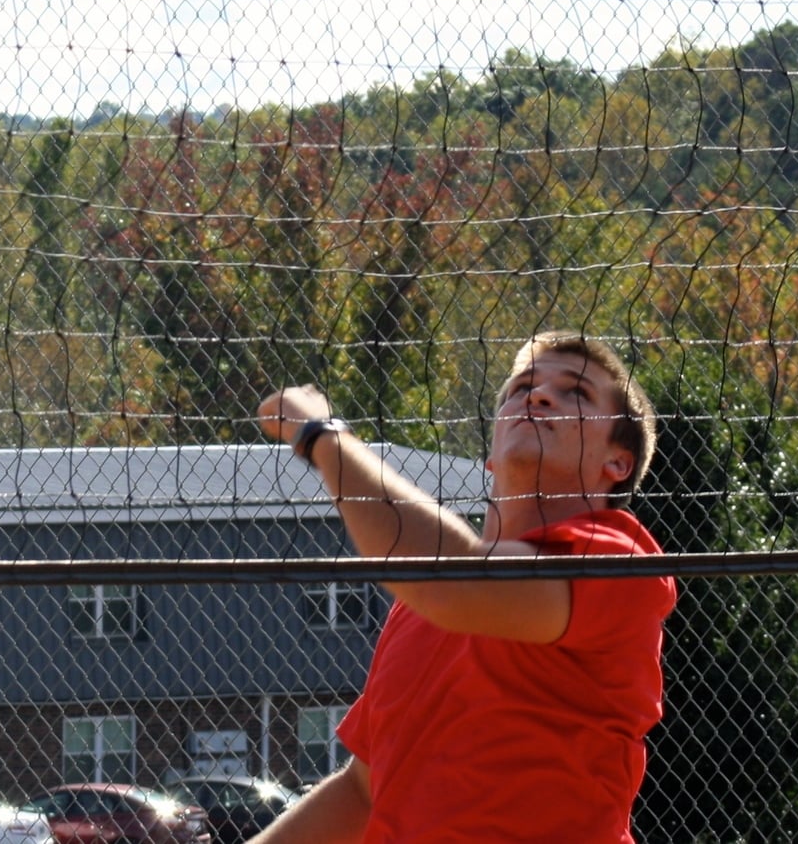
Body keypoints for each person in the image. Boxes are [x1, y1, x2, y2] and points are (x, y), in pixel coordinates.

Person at [245, 331, 676, 844]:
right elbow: (362, 788)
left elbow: (457, 580)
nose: (537, 396)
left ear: (618, 464)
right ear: (492, 453)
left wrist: (321, 435)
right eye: (522, 387)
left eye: (576, 393)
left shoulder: (618, 561)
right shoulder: (418, 607)